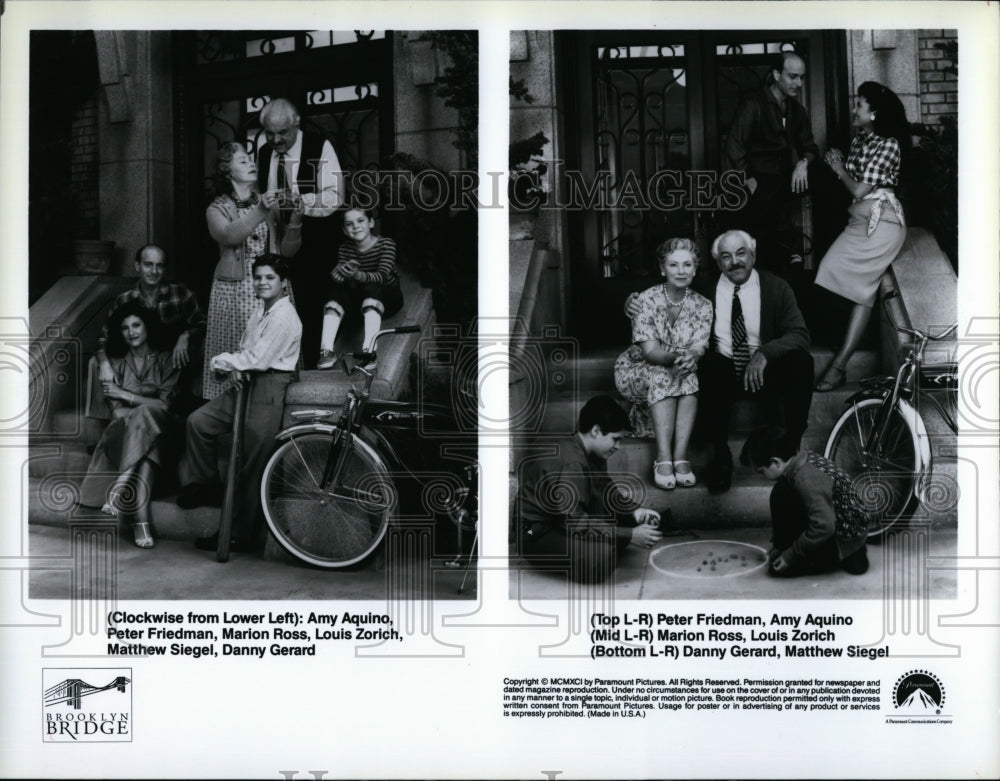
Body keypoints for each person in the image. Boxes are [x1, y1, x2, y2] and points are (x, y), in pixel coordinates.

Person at [180, 255, 302, 553]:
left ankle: (239, 534)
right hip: (246, 381)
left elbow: (258, 360)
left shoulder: (285, 316)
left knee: (253, 462)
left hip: (270, 385)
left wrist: (223, 361)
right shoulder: (259, 311)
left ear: (283, 283)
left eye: (269, 278)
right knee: (199, 422)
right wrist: (235, 367)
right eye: (258, 277)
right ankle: (207, 485)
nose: (262, 283)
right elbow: (247, 352)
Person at [697, 230, 814, 494]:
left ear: (753, 255)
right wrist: (633, 303)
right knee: (710, 365)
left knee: (800, 362)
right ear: (718, 263)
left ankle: (789, 450)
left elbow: (799, 334)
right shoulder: (705, 290)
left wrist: (764, 353)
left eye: (741, 253)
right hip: (723, 373)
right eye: (725, 257)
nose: (734, 262)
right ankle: (721, 455)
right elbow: (669, 302)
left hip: (764, 373)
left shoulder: (775, 286)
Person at [813, 81, 910, 392]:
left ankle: (839, 365)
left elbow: (856, 188)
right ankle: (839, 365)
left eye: (860, 104)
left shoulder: (889, 144)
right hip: (860, 222)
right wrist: (837, 164)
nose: (855, 109)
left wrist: (839, 168)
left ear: (874, 113)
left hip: (882, 225)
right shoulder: (860, 141)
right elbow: (850, 184)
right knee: (862, 291)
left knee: (831, 270)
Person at [515, 395, 663, 583]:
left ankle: (609, 537)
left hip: (562, 519)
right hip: (537, 533)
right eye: (615, 439)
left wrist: (635, 511)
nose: (618, 446)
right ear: (595, 431)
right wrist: (628, 535)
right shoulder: (571, 463)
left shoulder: (590, 451)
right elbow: (573, 520)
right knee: (602, 558)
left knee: (620, 522)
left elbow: (607, 489)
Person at [203, 141, 303, 399]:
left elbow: (287, 253)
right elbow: (229, 235)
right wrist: (262, 208)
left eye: (251, 159)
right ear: (227, 171)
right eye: (242, 160)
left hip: (272, 284)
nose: (251, 163)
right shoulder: (216, 208)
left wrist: (295, 223)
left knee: (272, 350)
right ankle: (230, 417)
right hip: (235, 292)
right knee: (238, 351)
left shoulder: (268, 203)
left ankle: (270, 404)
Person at [79, 300, 180, 549]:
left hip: (164, 436)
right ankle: (141, 521)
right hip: (122, 437)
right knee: (144, 426)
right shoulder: (113, 364)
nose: (132, 332)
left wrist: (127, 395)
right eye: (125, 328)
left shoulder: (166, 359)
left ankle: (120, 486)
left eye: (137, 325)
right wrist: (142, 405)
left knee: (147, 420)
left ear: (147, 328)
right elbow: (117, 414)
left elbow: (166, 407)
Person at [614, 238, 713, 489]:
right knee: (663, 373)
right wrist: (679, 359)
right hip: (637, 369)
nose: (681, 270)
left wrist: (692, 357)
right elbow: (650, 352)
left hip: (679, 367)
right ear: (662, 269)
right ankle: (663, 457)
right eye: (673, 264)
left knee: (689, 374)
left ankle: (680, 456)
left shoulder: (704, 305)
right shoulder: (644, 301)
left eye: (687, 264)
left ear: (695, 268)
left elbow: (699, 346)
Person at [257, 97, 343, 365]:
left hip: (314, 247)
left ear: (296, 124)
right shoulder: (262, 152)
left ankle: (311, 374)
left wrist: (300, 202)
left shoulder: (320, 146)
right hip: (276, 248)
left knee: (310, 310)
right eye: (270, 133)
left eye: (282, 133)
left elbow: (335, 195)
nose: (276, 140)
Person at [721, 51, 819, 272]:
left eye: (801, 77)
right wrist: (749, 180)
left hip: (781, 188)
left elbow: (810, 147)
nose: (799, 83)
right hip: (755, 190)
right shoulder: (753, 104)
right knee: (760, 255)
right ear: (776, 74)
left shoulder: (797, 110)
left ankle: (791, 257)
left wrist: (803, 162)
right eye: (792, 76)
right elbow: (733, 148)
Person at [89, 244, 205, 414]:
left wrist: (185, 336)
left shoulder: (179, 293)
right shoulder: (125, 299)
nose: (154, 271)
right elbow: (103, 337)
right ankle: (112, 417)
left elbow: (203, 324)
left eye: (159, 265)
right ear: (137, 266)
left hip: (171, 360)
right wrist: (105, 363)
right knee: (95, 363)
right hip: (137, 358)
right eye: (148, 264)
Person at [741, 425, 870, 577]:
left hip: (842, 540)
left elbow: (825, 526)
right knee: (783, 491)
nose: (762, 476)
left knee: (778, 570)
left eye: (762, 471)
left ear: (775, 462)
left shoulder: (806, 479)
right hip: (838, 524)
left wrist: (791, 555)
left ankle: (850, 555)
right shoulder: (802, 459)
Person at [317, 207, 403, 369]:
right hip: (361, 302)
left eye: (360, 220)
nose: (355, 226)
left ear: (371, 222)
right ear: (344, 230)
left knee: (372, 287)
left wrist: (357, 275)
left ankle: (369, 351)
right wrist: (339, 275)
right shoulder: (345, 249)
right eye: (349, 224)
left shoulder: (386, 244)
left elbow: (382, 276)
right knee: (336, 291)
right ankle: (326, 350)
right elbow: (346, 284)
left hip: (388, 297)